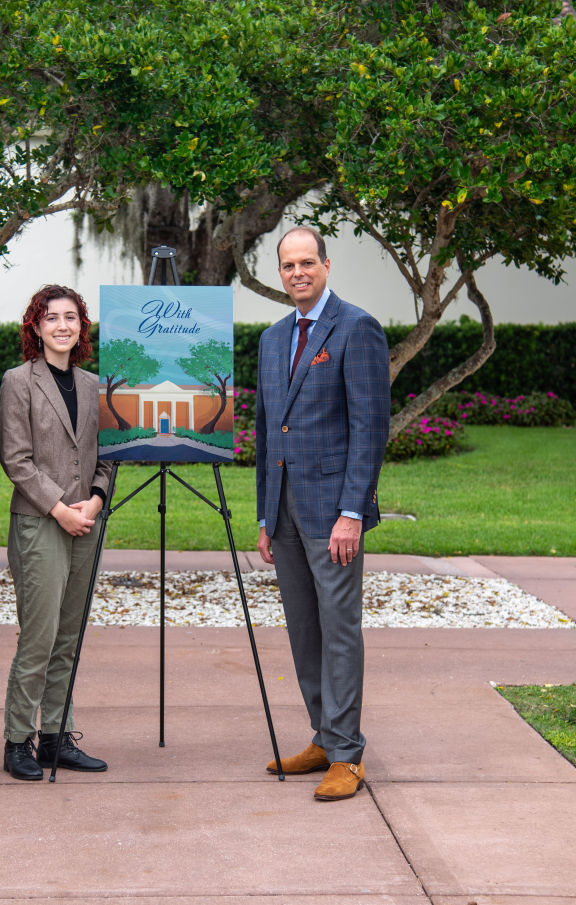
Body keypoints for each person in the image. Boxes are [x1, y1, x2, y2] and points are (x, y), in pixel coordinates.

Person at [255, 226, 390, 801]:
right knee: (304, 631)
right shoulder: (271, 337)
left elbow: (370, 429)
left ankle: (348, 753)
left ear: (327, 266)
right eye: (288, 266)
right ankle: (323, 734)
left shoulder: (357, 328)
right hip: (284, 514)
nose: (298, 273)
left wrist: (352, 512)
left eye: (307, 263)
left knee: (338, 631)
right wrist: (264, 517)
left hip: (334, 514)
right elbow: (266, 431)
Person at [0, 284, 112, 780]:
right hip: (40, 522)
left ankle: (55, 737)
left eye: (71, 317)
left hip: (87, 521)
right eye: (51, 318)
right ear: (36, 327)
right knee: (39, 638)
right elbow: (15, 459)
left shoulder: (94, 386)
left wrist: (98, 499)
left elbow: (108, 456)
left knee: (69, 637)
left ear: (81, 327)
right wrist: (60, 508)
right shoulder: (18, 381)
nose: (62, 325)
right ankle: (17, 739)